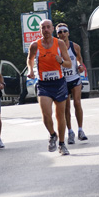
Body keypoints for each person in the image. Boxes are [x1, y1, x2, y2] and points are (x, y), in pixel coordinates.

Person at [27, 19, 72, 155]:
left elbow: (69, 64)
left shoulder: (60, 44)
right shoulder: (35, 45)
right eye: (43, 28)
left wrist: (62, 61)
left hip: (58, 83)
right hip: (43, 84)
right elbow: (30, 59)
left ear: (52, 29)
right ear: (40, 30)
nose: (46, 30)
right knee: (46, 115)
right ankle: (53, 134)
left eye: (48, 27)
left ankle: (62, 144)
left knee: (60, 116)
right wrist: (30, 70)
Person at [55, 23, 88, 143]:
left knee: (77, 103)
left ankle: (80, 129)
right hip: (62, 81)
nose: (62, 34)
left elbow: (79, 59)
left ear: (68, 33)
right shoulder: (56, 48)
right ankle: (70, 131)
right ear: (57, 34)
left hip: (74, 78)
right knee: (66, 107)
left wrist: (80, 66)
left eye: (64, 31)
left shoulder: (75, 46)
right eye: (60, 32)